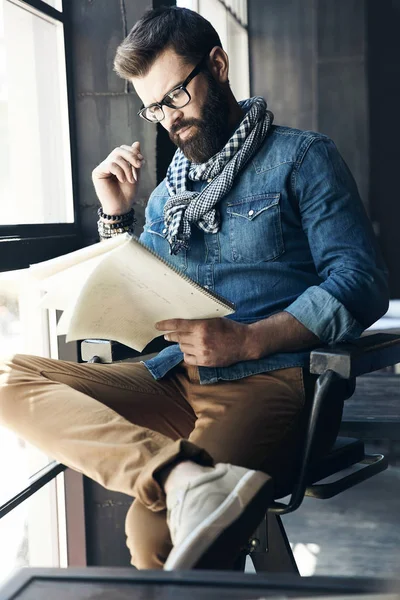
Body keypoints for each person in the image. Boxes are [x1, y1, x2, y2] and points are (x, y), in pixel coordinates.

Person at [0, 6, 389, 571]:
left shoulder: (303, 157)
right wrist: (117, 218)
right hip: (172, 378)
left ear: (219, 66)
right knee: (12, 380)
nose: (167, 120)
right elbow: (144, 289)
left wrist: (248, 340)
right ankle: (179, 473)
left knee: (153, 531)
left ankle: (183, 485)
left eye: (175, 97)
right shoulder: (165, 197)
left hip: (269, 381)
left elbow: (361, 283)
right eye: (154, 106)